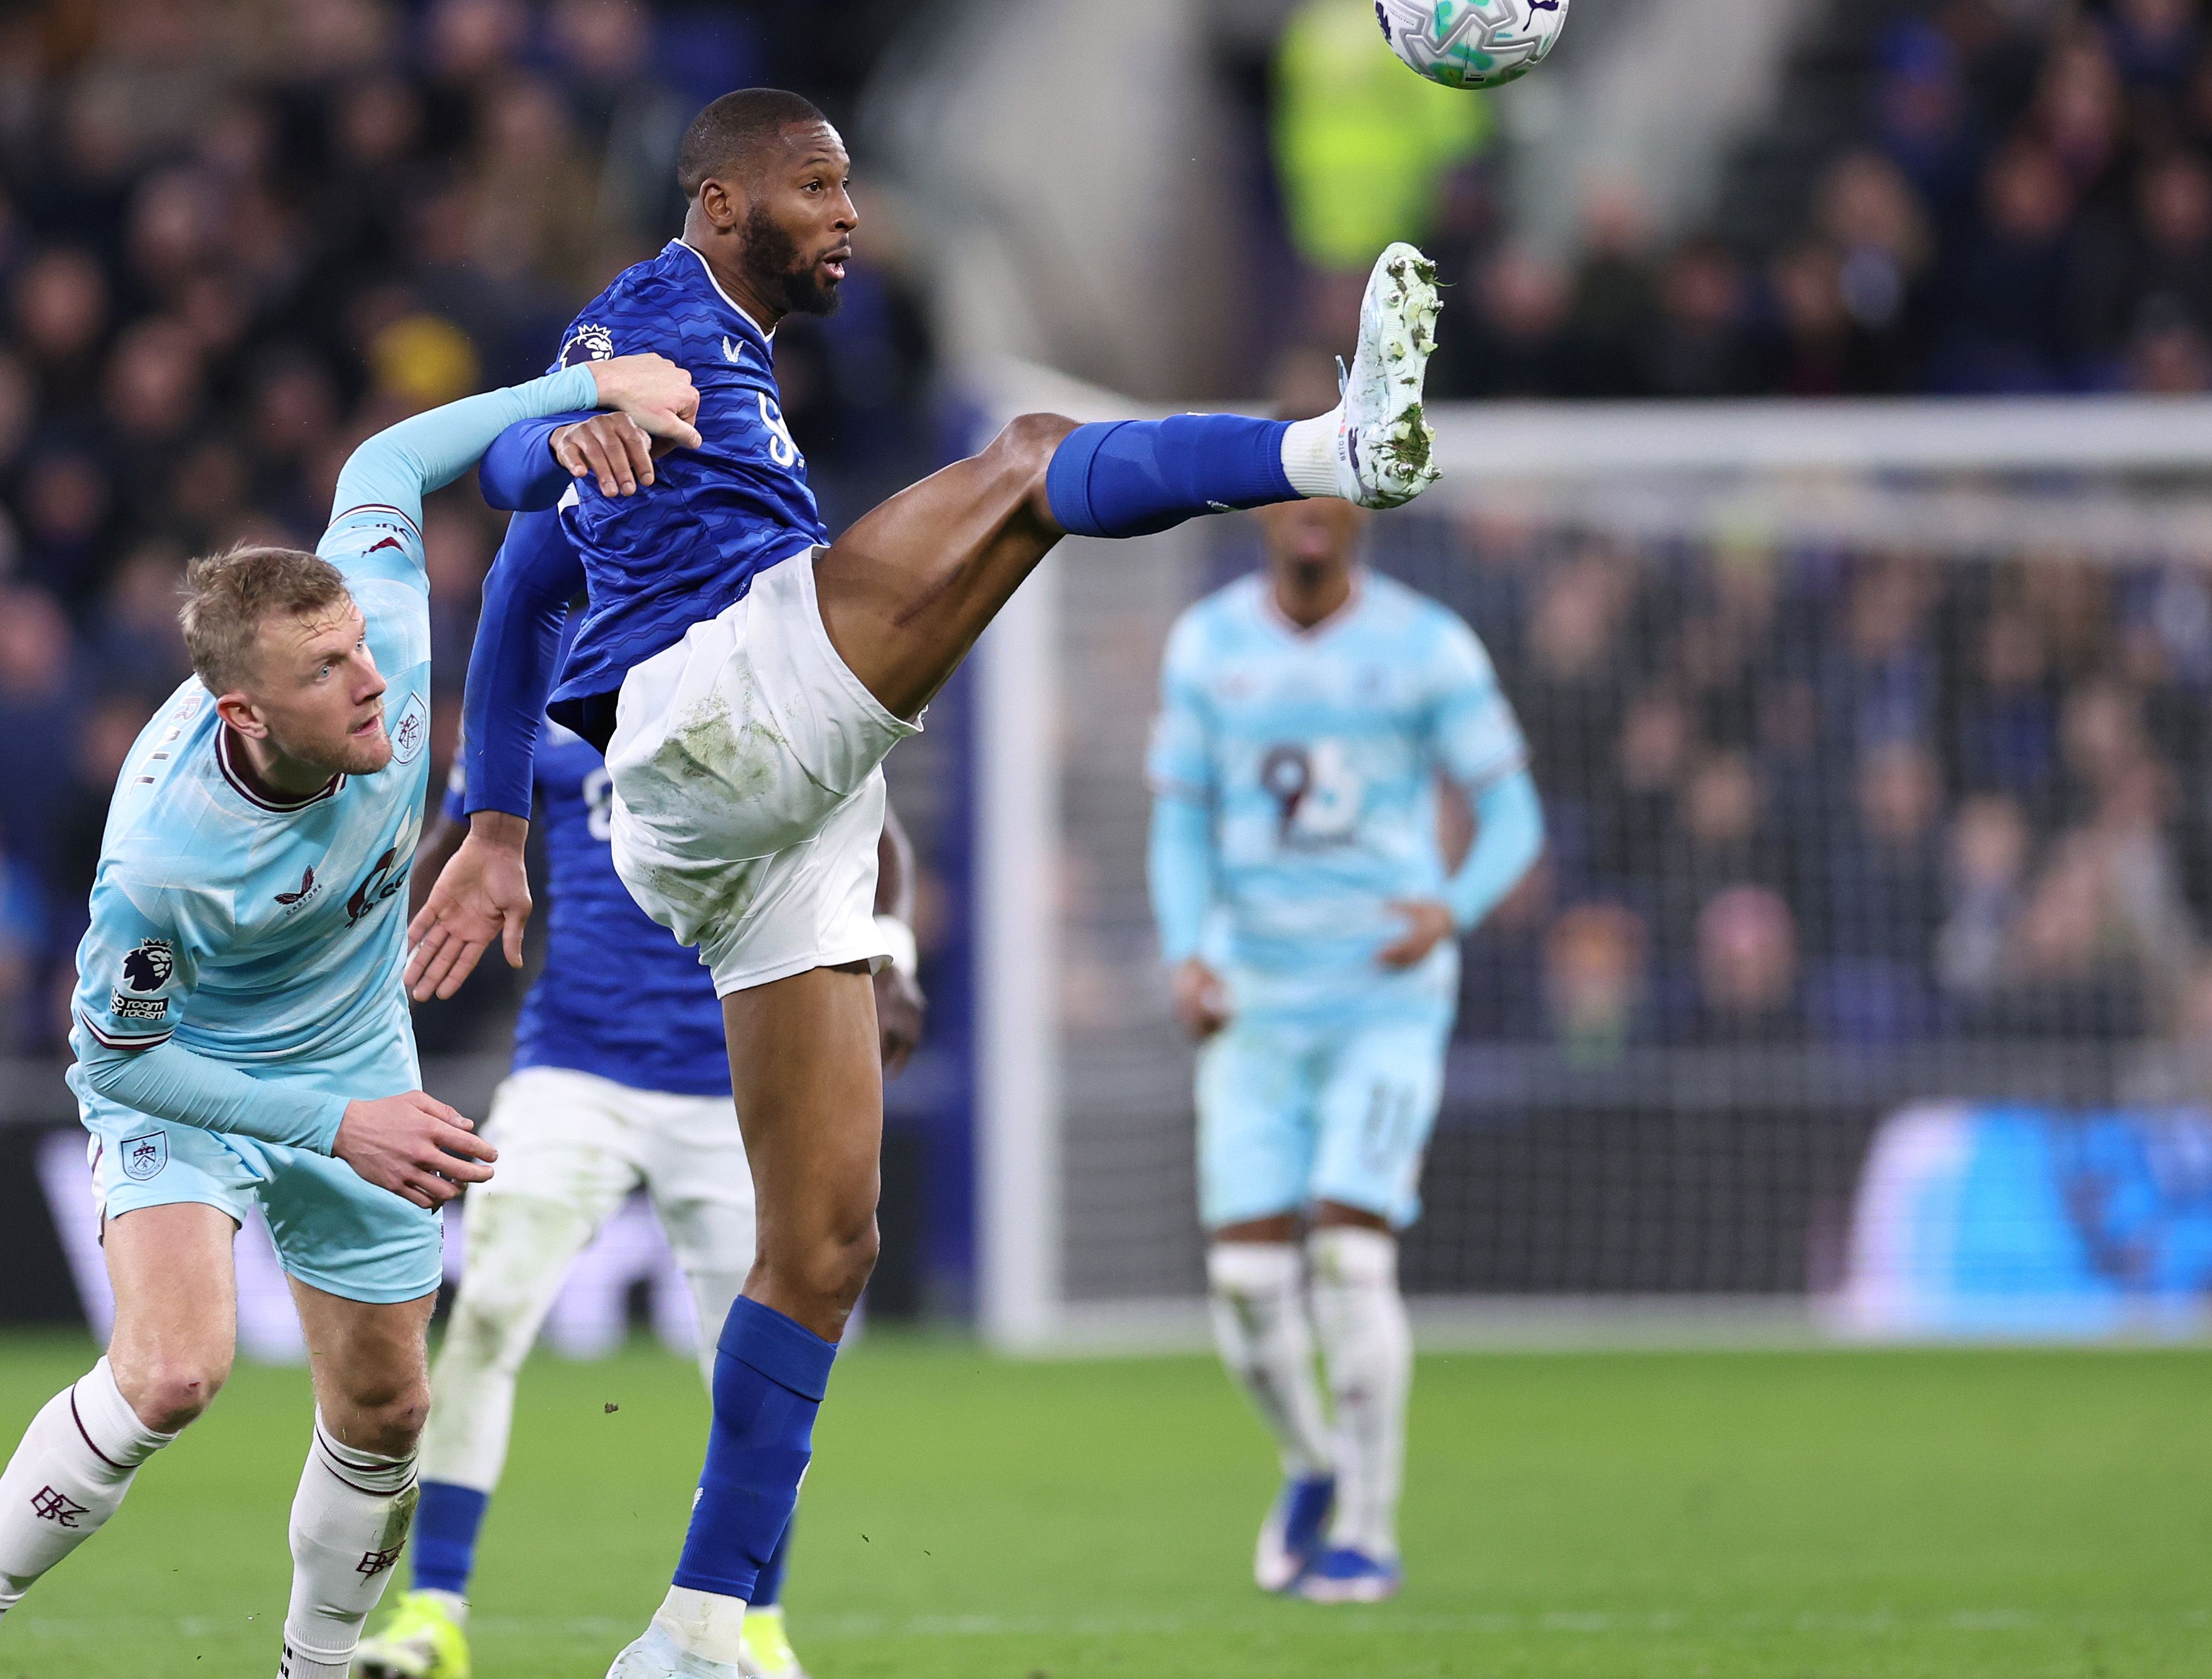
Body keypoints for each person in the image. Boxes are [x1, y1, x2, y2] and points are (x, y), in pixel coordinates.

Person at [407, 87, 1443, 1678]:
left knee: (826, 1247)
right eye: (817, 187)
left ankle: (699, 1626)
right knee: (1028, 465)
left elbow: (540, 573)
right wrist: (558, 431)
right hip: (704, 725)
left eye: (850, 187)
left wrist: (496, 825)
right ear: (723, 205)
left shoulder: (748, 390)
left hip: (773, 812)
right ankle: (1334, 445)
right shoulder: (652, 314)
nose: (849, 215)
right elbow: (512, 480)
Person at [0, 348, 702, 1679]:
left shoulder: (376, 629)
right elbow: (117, 1058)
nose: (375, 683)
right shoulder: (162, 860)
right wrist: (338, 1126)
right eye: (330, 672)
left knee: (386, 1407)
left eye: (362, 646)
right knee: (173, 1372)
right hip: (194, 1066)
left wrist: (584, 396)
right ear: (246, 714)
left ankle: (314, 1673)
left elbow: (382, 465)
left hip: (355, 1046)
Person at [355, 513, 923, 1679]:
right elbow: (464, 846)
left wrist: (893, 953)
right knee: (491, 1318)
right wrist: (363, 959)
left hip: (732, 1083)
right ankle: (434, 1618)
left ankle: (750, 1624)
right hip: (574, 1065)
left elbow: (884, 835)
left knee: (761, 1359)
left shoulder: (762, 668)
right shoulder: (558, 692)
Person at [1149, 494, 1544, 1603]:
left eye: (1335, 491)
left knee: (1350, 1255)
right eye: (1293, 493)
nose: (1313, 516)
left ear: (1361, 514)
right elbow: (1179, 820)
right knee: (1242, 1279)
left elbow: (1512, 814)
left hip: (1383, 994)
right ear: (1266, 515)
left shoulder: (1426, 646)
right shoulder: (1208, 643)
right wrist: (1187, 952)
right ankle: (1313, 1465)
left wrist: (1449, 908)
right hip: (1255, 997)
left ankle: (1369, 1534)